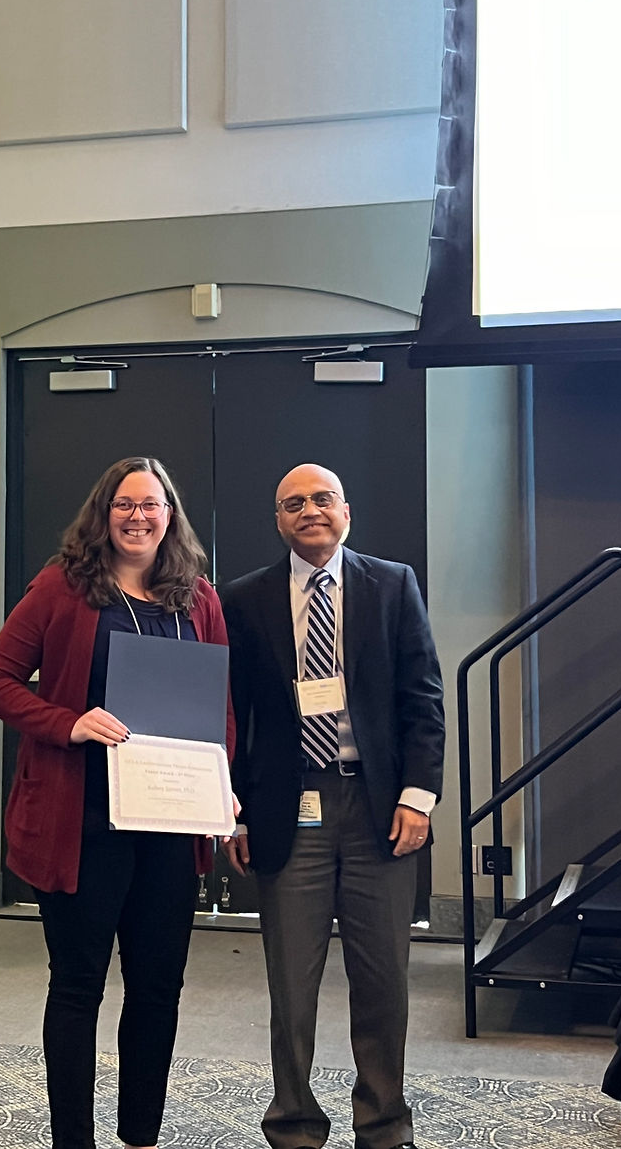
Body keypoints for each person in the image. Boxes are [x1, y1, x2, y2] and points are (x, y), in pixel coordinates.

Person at [0, 456, 234, 1149]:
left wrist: (222, 784)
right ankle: (73, 1141)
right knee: (79, 983)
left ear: (170, 515)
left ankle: (141, 1135)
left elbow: (219, 707)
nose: (138, 515)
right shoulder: (62, 588)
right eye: (124, 503)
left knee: (156, 988)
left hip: (169, 825)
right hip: (80, 821)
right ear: (103, 512)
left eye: (151, 504)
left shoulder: (197, 598)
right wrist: (69, 720)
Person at [219, 463, 444, 1149]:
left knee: (382, 979)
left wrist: (418, 795)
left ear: (346, 510)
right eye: (294, 503)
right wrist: (235, 810)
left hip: (380, 808)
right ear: (279, 519)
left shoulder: (392, 583)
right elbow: (231, 713)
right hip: (291, 807)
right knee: (292, 984)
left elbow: (423, 700)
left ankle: (383, 1123)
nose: (309, 511)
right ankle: (293, 1124)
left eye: (322, 499)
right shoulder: (245, 597)